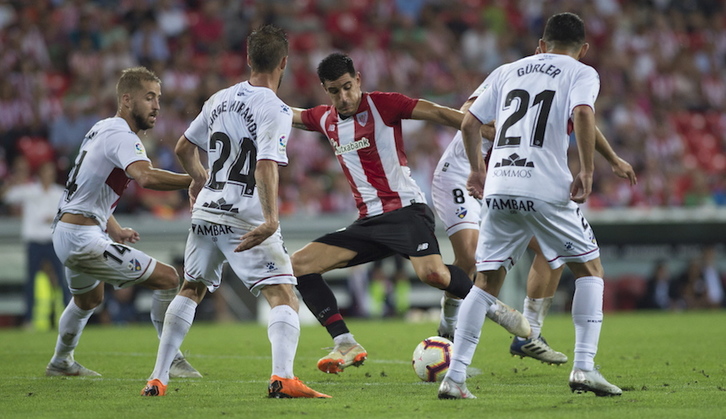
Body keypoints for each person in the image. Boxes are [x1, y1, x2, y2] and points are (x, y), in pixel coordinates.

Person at [289, 53, 531, 375]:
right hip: (368, 223)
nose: (344, 97)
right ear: (325, 90)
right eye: (335, 91)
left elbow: (436, 112)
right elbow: (288, 114)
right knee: (299, 265)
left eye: (348, 87)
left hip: (406, 212)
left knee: (432, 275)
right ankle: (345, 342)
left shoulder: (384, 105)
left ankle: (495, 308)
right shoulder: (324, 119)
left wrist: (476, 127)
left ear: (358, 79)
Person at [439, 12, 622, 398]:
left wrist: (476, 171)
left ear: (541, 44)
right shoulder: (581, 71)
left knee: (485, 284)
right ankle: (584, 368)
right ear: (583, 49)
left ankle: (454, 379)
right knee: (589, 268)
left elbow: (469, 123)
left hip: (500, 185)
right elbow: (583, 113)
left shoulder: (510, 69)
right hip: (544, 185)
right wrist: (588, 171)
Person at [142, 25, 330, 399]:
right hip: (245, 216)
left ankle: (158, 377)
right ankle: (283, 378)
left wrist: (199, 181)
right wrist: (272, 219)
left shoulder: (218, 99)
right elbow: (265, 165)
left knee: (191, 288)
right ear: (284, 63)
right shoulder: (274, 107)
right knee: (283, 294)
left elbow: (182, 147)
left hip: (207, 212)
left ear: (247, 59)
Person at [432, 87, 637, 365]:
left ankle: (529, 335)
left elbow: (582, 119)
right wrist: (493, 131)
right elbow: (468, 113)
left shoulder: (561, 85)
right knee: (469, 256)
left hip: (504, 179)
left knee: (553, 249)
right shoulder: (510, 76)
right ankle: (448, 326)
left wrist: (612, 158)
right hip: (462, 173)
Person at [46, 66, 201, 379]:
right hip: (82, 238)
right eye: (149, 97)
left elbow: (90, 185)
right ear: (127, 100)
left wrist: (112, 227)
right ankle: (171, 359)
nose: (157, 105)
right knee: (169, 278)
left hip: (69, 229)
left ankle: (61, 362)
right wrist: (197, 179)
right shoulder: (122, 136)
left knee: (89, 298)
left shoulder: (101, 128)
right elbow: (145, 176)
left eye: (158, 98)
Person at [1, 160, 70, 329]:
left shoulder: (59, 192)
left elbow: (69, 213)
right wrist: (14, 180)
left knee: (61, 281)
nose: (49, 175)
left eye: (51, 172)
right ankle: (29, 319)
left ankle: (65, 318)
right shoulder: (29, 190)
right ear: (40, 174)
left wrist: (54, 218)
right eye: (46, 172)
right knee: (31, 281)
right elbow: (6, 197)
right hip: (34, 242)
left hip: (52, 242)